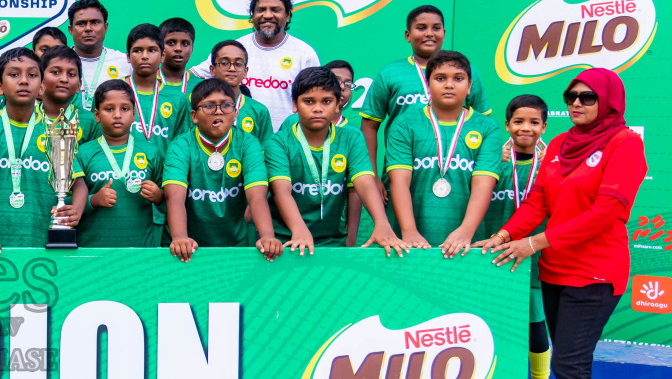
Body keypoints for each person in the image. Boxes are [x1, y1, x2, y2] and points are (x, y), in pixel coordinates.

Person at [480, 69, 648, 379]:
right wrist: (503, 235)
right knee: (566, 368)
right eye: (571, 96)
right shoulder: (558, 145)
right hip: (556, 270)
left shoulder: (625, 144)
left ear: (609, 102)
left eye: (588, 97)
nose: (576, 103)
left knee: (572, 368)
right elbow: (538, 201)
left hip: (595, 274)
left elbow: (607, 212)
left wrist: (533, 241)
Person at [265, 67, 404, 255]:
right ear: (295, 105)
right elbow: (281, 191)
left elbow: (364, 183)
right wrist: (298, 229)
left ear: (338, 105)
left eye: (326, 101)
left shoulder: (351, 138)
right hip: (287, 243)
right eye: (308, 101)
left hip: (332, 243)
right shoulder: (279, 142)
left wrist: (382, 223)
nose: (317, 108)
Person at [383, 50, 502, 256]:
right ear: (428, 86)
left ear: (469, 86)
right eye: (440, 78)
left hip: (466, 244)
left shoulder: (488, 127)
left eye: (458, 78)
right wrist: (408, 230)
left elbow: (484, 183)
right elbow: (399, 181)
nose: (449, 84)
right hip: (409, 243)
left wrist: (466, 231)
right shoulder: (404, 124)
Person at [484, 93, 555, 379]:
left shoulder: (553, 165)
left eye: (534, 122)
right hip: (493, 258)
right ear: (508, 123)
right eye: (518, 121)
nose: (525, 128)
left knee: (536, 328)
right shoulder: (491, 161)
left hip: (536, 260)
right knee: (490, 327)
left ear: (544, 125)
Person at [0, 47, 75, 256]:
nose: (24, 81)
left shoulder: (57, 131)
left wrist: (74, 209)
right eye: (14, 74)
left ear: (41, 87)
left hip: (42, 240)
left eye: (32, 75)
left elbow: (77, 183)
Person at [362, 5, 492, 178]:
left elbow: (484, 122)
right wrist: (371, 176)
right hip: (401, 168)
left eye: (436, 28)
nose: (430, 33)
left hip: (459, 171)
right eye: (421, 28)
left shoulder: (467, 72)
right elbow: (369, 126)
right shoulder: (390, 73)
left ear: (444, 33)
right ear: (408, 35)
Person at [161, 77, 279, 261]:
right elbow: (174, 197)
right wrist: (179, 237)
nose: (218, 111)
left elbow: (257, 196)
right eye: (209, 106)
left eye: (225, 105)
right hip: (188, 248)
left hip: (236, 244)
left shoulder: (248, 143)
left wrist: (267, 236)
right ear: (194, 116)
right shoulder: (181, 145)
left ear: (235, 113)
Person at [192, 0, 317, 129]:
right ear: (252, 15)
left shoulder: (305, 54)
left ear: (288, 15)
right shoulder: (236, 49)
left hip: (285, 144)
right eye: (261, 10)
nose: (268, 15)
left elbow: (316, 101)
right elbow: (191, 77)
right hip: (236, 142)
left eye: (275, 10)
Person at [71, 80, 162, 248]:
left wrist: (158, 197)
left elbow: (170, 202)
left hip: (140, 251)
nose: (118, 115)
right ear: (97, 115)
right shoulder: (83, 153)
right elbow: (66, 203)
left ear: (134, 114)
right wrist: (93, 200)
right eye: (109, 109)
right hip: (92, 251)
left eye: (125, 109)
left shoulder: (151, 152)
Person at [177, 41, 274, 146]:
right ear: (212, 70)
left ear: (245, 71)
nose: (232, 69)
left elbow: (266, 152)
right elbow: (182, 143)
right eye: (224, 63)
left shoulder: (259, 111)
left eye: (238, 64)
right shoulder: (195, 106)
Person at [66, 0, 131, 109]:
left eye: (95, 22)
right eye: (81, 24)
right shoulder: (58, 62)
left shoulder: (125, 62)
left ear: (105, 27)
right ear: (70, 30)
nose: (88, 29)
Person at [37, 46, 97, 143]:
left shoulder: (91, 122)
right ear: (40, 79)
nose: (64, 79)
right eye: (55, 72)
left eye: (71, 74)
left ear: (79, 85)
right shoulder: (25, 118)